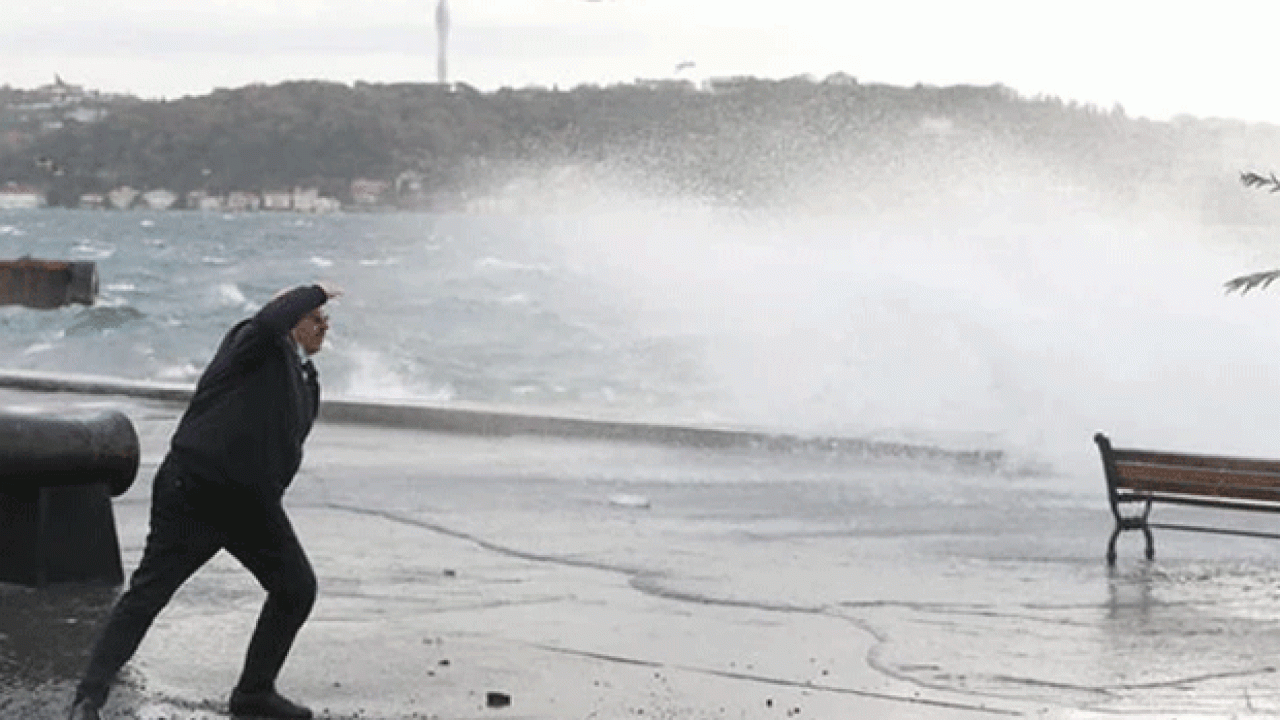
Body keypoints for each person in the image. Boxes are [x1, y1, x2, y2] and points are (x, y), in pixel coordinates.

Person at [68, 283, 342, 720]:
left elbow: (288, 442)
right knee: (148, 595)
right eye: (315, 317)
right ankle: (88, 697)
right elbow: (270, 319)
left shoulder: (305, 377)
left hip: (251, 507)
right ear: (291, 318)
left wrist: (269, 491)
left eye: (326, 319)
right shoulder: (253, 342)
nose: (324, 325)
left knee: (296, 589)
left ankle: (254, 694)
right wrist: (315, 290)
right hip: (194, 492)